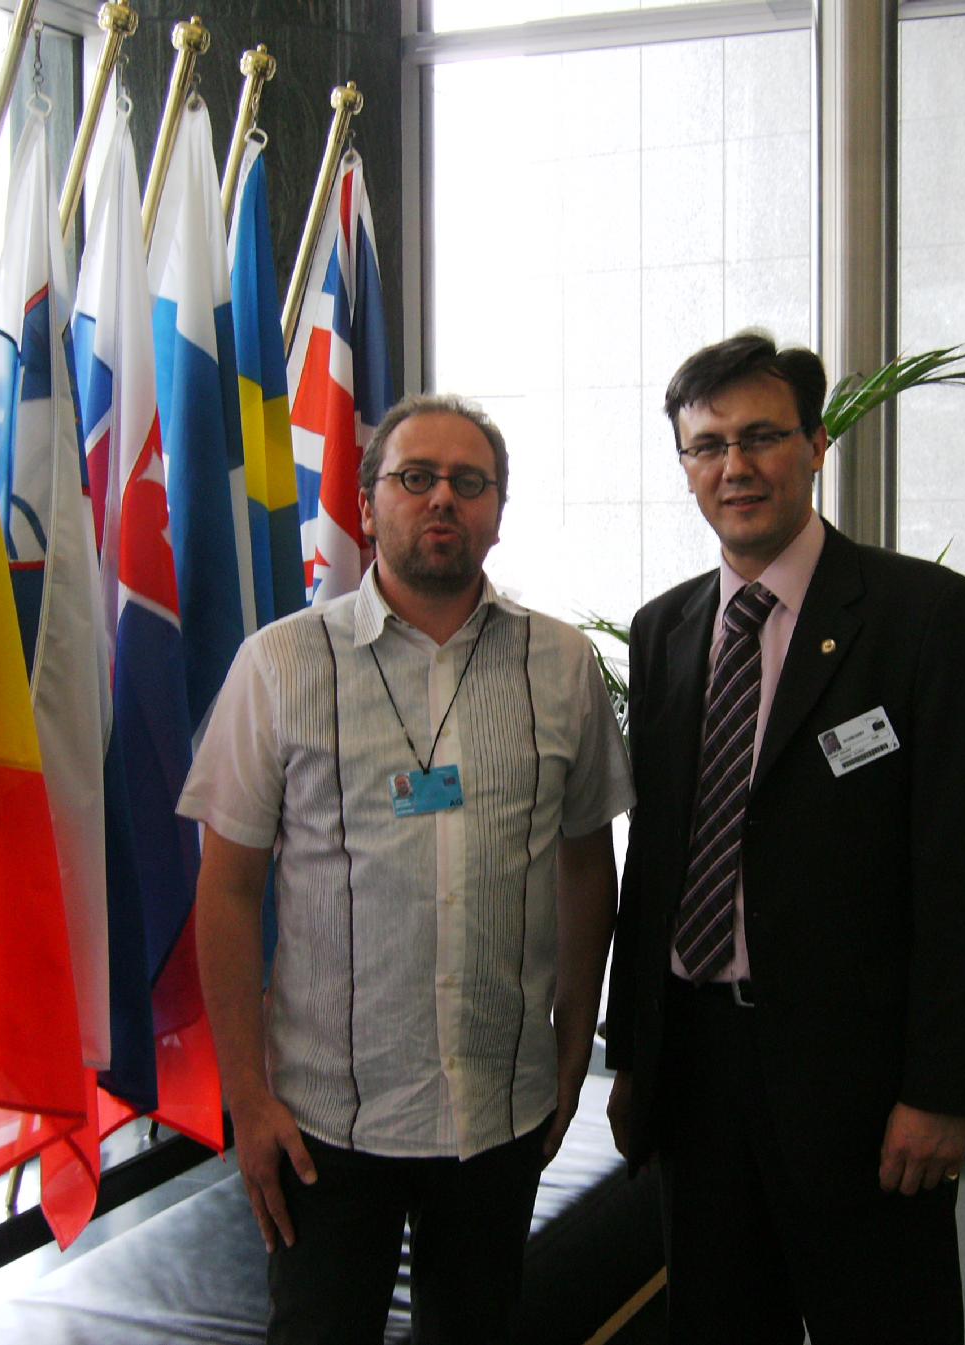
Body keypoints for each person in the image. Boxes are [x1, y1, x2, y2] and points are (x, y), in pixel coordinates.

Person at [180, 392, 634, 1344]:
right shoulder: (278, 665)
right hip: (324, 1120)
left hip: (499, 1106)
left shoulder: (561, 665)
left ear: (498, 510)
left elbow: (588, 859)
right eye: (414, 478)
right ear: (366, 498)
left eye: (469, 483)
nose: (442, 501)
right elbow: (226, 890)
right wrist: (246, 1097)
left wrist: (571, 1037)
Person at [604, 333, 965, 1344]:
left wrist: (940, 1086)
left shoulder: (922, 616)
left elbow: (961, 868)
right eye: (705, 446)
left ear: (815, 443)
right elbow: (654, 860)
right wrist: (635, 1057)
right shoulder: (661, 630)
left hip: (861, 1083)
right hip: (696, 1069)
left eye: (759, 437)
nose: (733, 467)